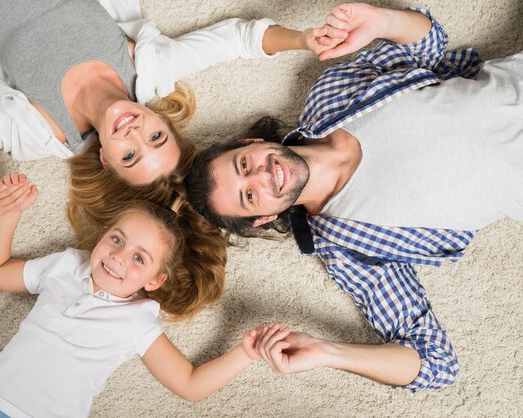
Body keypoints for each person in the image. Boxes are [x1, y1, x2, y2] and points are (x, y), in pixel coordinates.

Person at [185, 3, 522, 390]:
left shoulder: (328, 96)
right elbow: (435, 363)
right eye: (249, 196)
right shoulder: (348, 249)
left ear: (251, 143)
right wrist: (329, 352)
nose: (263, 176)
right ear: (262, 218)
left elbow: (428, 42)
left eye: (244, 165)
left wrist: (382, 21)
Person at [0, 0, 343, 217]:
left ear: (105, 159)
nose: (134, 131)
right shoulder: (151, 69)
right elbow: (238, 40)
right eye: (155, 136)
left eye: (129, 154)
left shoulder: (38, 131)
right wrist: (302, 40)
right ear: (163, 120)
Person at [0, 173, 281, 418]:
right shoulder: (65, 265)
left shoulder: (136, 319)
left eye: (139, 258)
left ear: (155, 281)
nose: (118, 257)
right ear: (102, 235)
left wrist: (246, 353)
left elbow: (189, 384)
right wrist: (9, 214)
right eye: (117, 239)